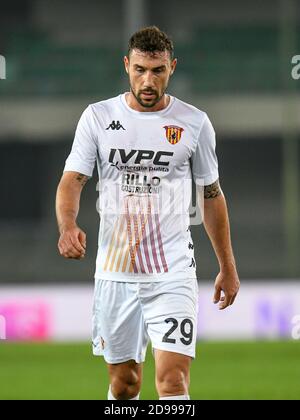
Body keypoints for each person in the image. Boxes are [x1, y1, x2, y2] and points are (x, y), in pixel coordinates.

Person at [56, 26, 240, 400]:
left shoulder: (195, 123)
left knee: (173, 382)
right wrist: (68, 225)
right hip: (115, 273)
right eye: (140, 69)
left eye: (157, 70)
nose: (148, 79)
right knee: (125, 385)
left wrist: (228, 265)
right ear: (127, 65)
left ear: (172, 67)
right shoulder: (98, 117)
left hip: (172, 272)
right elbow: (72, 181)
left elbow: (211, 195)